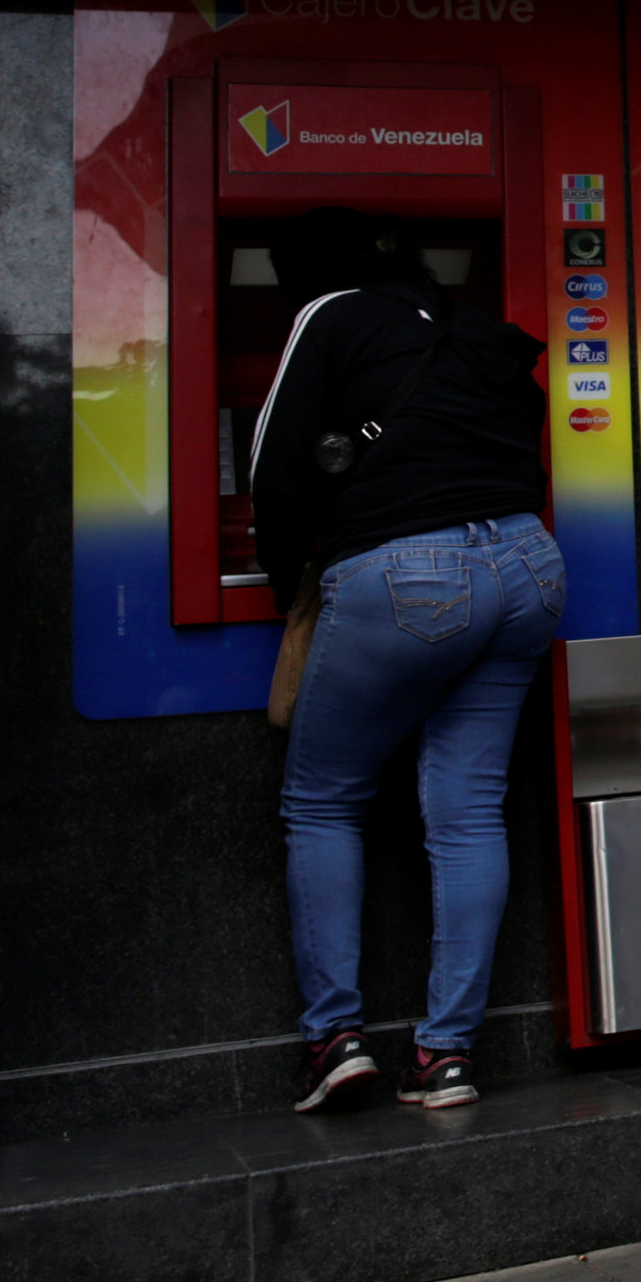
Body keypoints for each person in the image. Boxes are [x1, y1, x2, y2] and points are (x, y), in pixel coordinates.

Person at [254, 207, 560, 1116]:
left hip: (408, 574)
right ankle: (447, 1057)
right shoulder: (489, 336)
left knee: (321, 797)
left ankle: (335, 1040)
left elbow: (275, 467)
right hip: (527, 566)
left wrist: (291, 592)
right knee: (467, 813)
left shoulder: (329, 315)